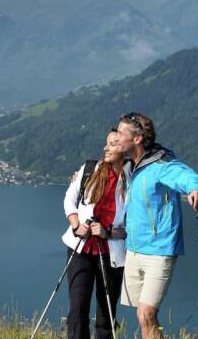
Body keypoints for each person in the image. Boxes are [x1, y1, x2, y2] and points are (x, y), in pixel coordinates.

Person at [116, 112, 198, 339]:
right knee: (141, 314)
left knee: (147, 313)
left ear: (137, 139)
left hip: (159, 250)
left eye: (120, 133)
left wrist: (195, 187)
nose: (116, 137)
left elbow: (183, 175)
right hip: (135, 248)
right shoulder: (131, 166)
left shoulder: (161, 164)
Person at [61, 129, 129, 339]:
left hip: (112, 254)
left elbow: (134, 227)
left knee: (106, 312)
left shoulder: (133, 179)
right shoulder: (90, 169)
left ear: (125, 148)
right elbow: (69, 201)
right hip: (80, 248)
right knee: (78, 309)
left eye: (113, 144)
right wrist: (76, 226)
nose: (105, 148)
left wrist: (109, 232)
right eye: (106, 143)